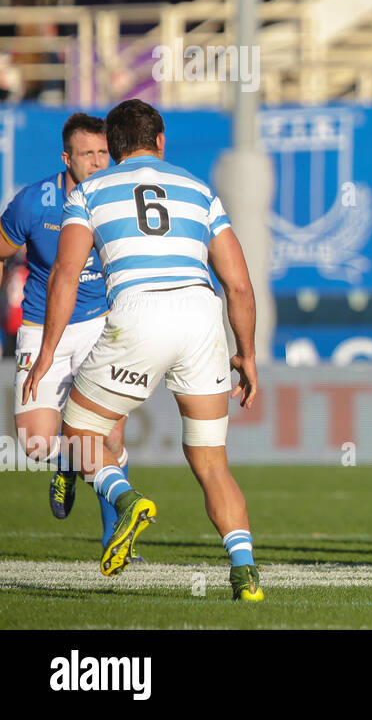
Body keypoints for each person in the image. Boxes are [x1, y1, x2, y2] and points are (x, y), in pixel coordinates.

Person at [22, 99, 264, 601]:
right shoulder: (199, 191)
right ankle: (245, 574)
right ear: (160, 142)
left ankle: (124, 496)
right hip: (201, 318)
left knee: (77, 431)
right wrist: (249, 355)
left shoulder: (89, 191)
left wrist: (47, 353)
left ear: (111, 146)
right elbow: (239, 285)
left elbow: (66, 274)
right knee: (212, 461)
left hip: (138, 313)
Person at [3, 114, 124, 551]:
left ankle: (117, 540)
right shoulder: (35, 201)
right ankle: (65, 465)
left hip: (101, 325)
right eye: (87, 154)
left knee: (109, 435)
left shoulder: (118, 198)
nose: (97, 162)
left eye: (102, 153)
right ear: (66, 157)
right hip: (41, 326)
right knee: (36, 443)